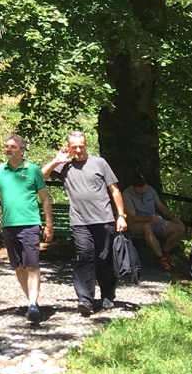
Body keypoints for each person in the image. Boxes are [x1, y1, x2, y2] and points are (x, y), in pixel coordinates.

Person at [43, 130, 128, 316]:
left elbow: (114, 190)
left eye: (82, 146)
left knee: (104, 258)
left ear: (86, 144)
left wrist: (121, 215)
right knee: (84, 257)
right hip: (79, 221)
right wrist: (56, 160)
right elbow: (40, 178)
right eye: (74, 147)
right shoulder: (64, 166)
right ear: (69, 148)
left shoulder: (99, 163)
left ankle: (107, 295)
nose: (79, 150)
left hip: (104, 219)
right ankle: (85, 300)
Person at [0, 134, 54, 324]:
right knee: (19, 267)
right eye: (6, 146)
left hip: (29, 224)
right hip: (9, 225)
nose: (8, 149)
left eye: (12, 146)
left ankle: (32, 304)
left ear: (21, 150)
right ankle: (31, 301)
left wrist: (48, 223)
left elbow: (44, 198)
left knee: (32, 265)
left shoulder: (33, 170)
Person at [125, 171, 186, 270]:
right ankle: (161, 258)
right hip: (137, 223)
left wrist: (172, 218)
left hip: (155, 220)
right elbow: (133, 216)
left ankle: (166, 252)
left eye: (144, 189)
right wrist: (149, 219)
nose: (142, 192)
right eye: (139, 191)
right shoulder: (127, 195)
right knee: (147, 227)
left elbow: (161, 207)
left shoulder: (151, 190)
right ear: (133, 187)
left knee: (180, 228)